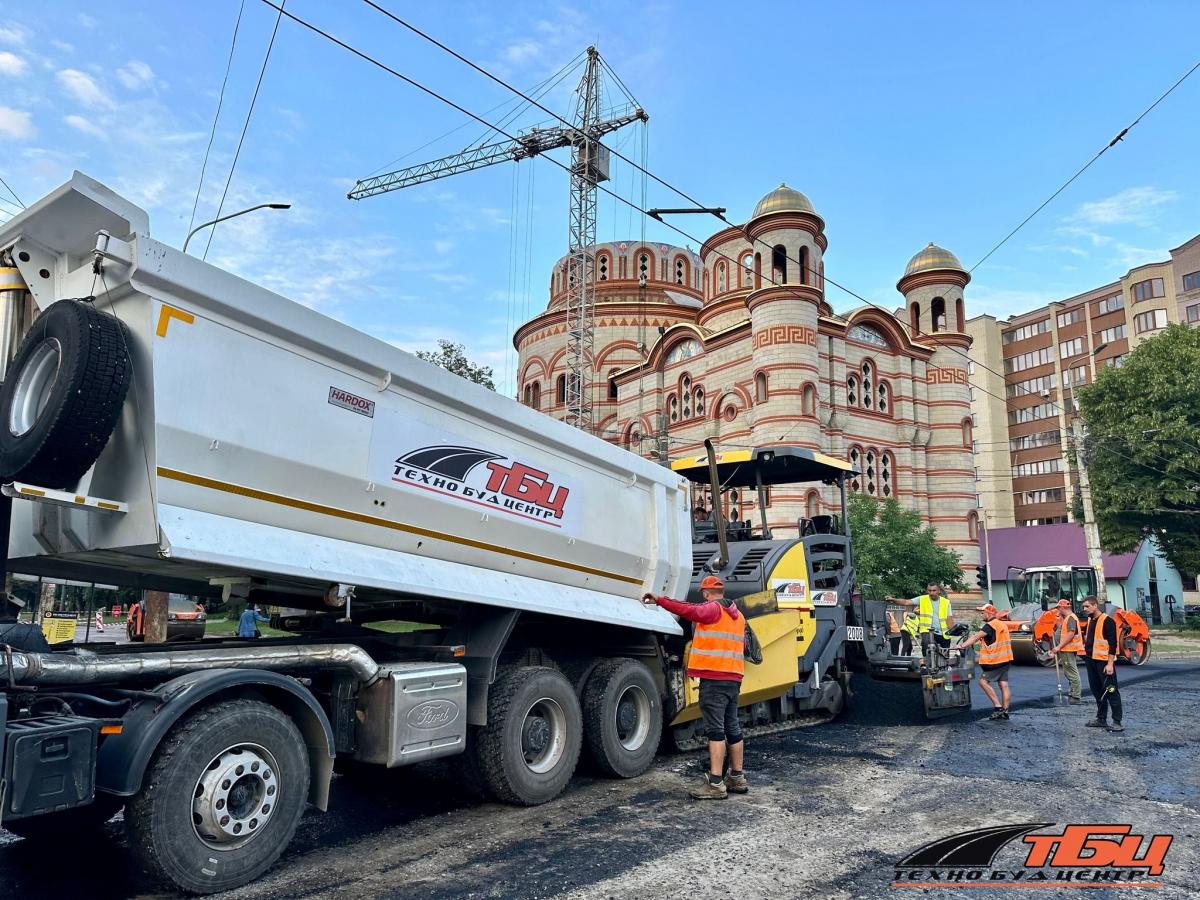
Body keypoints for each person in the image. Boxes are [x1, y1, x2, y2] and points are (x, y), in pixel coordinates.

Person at [644, 575, 746, 800]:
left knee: (716, 730)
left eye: (703, 594)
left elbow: (689, 610)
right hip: (733, 678)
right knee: (732, 726)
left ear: (706, 593)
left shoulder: (712, 609)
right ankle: (737, 777)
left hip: (714, 678)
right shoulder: (738, 616)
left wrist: (660, 600)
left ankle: (716, 783)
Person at [956, 603, 1025, 720]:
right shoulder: (1002, 624)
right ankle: (1005, 711)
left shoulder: (989, 626)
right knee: (1003, 684)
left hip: (995, 661)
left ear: (989, 613)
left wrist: (962, 645)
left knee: (983, 682)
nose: (981, 615)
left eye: (982, 613)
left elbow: (975, 638)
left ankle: (998, 707)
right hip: (1006, 659)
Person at [1081, 595, 1123, 732]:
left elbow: (1113, 644)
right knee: (1097, 691)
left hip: (1103, 662)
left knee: (1111, 690)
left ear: (1095, 605)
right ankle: (1101, 718)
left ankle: (1117, 721)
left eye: (1087, 606)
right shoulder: (1090, 620)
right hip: (1091, 660)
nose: (1084, 609)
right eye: (1083, 607)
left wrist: (1110, 664)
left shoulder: (1107, 621)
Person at [885, 583, 955, 652]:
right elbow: (906, 602)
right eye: (929, 590)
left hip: (943, 634)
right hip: (927, 631)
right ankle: (926, 661)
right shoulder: (922, 599)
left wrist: (954, 631)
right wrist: (893, 599)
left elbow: (949, 619)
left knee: (944, 656)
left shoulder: (946, 602)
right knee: (927, 649)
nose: (931, 593)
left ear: (939, 591)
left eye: (934, 590)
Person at [1046, 598, 1083, 704]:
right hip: (1066, 649)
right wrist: (1058, 623)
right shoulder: (1067, 618)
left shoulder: (1071, 618)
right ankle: (1073, 694)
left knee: (1071, 672)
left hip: (1068, 649)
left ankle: (1075, 697)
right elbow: (1064, 632)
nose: (1057, 611)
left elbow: (1071, 634)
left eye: (1058, 608)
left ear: (1063, 607)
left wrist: (1058, 647)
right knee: (1069, 672)